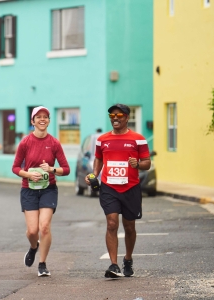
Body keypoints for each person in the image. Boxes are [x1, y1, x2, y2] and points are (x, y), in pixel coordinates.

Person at [85, 104, 151, 278]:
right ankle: (113, 265)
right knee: (112, 223)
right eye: (112, 115)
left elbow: (147, 163)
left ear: (127, 117)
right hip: (109, 187)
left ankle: (128, 259)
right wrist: (94, 174)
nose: (115, 118)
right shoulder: (102, 139)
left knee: (129, 227)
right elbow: (99, 158)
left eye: (119, 115)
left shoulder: (138, 139)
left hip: (131, 187)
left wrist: (138, 164)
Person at [11, 106, 70, 277]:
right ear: (33, 121)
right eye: (38, 117)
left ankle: (42, 263)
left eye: (45, 117)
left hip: (48, 189)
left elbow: (66, 169)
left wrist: (52, 169)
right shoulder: (25, 143)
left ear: (49, 121)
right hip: (28, 190)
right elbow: (15, 167)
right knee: (32, 231)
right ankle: (33, 247)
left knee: (44, 227)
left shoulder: (54, 143)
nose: (42, 119)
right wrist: (28, 174)